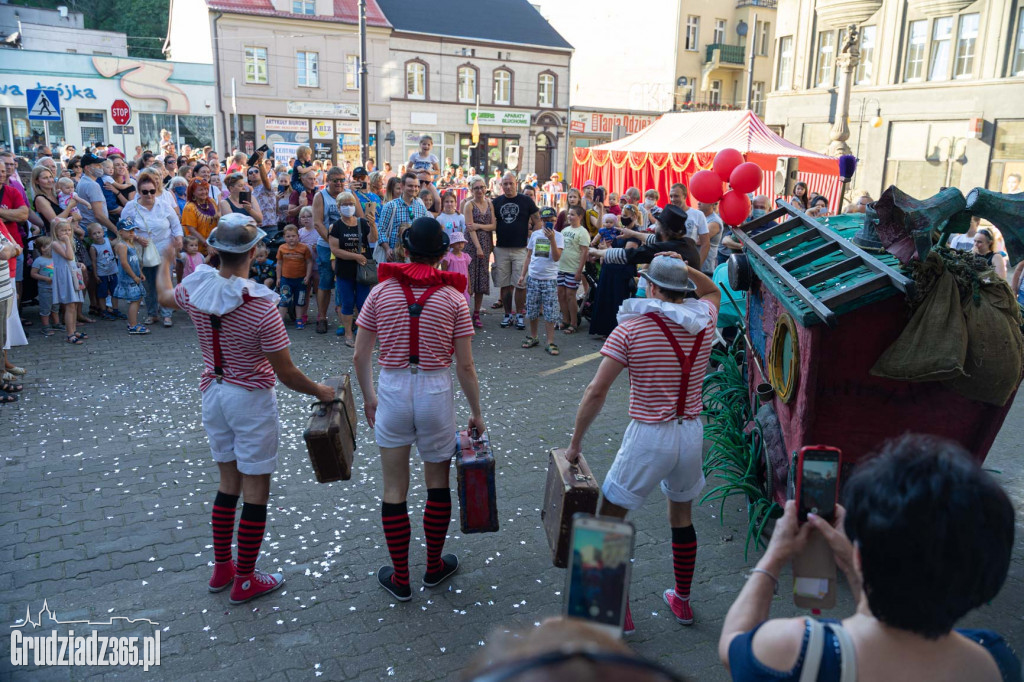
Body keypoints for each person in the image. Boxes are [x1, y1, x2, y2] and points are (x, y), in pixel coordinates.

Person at [719, 434, 1018, 681]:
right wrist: (857, 559)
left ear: (859, 555)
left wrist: (776, 554)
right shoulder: (997, 661)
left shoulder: (794, 652)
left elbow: (732, 644)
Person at [157, 213, 333, 604]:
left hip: (213, 393)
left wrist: (166, 261)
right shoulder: (260, 306)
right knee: (256, 488)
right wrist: (320, 391)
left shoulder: (197, 286)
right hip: (250, 399)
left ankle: (223, 567)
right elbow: (285, 372)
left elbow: (165, 297)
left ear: (216, 251)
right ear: (254, 251)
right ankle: (246, 578)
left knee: (227, 483)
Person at [567, 253, 720, 633]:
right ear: (682, 289)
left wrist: (575, 443)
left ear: (650, 287)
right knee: (681, 517)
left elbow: (596, 391)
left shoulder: (631, 330)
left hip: (649, 436)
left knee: (606, 520)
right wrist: (684, 268)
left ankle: (611, 610)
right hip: (691, 433)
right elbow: (712, 289)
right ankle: (682, 601)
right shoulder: (704, 320)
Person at [353, 217, 484, 602]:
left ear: (405, 250)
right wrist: (477, 412)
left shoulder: (381, 292)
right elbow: (465, 366)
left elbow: (361, 354)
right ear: (443, 254)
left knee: (394, 487)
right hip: (434, 390)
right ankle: (432, 567)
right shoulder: (453, 299)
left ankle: (399, 577)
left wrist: (369, 397)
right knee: (436, 484)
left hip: (392, 387)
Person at [120, 171, 184, 327]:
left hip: (164, 247)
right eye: (145, 192)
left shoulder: (164, 205)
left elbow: (176, 225)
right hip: (143, 249)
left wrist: (179, 240)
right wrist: (135, 238)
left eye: (152, 191)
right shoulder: (131, 207)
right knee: (147, 283)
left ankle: (167, 314)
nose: (149, 195)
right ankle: (152, 313)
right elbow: (122, 228)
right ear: (139, 192)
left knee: (165, 281)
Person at [492, 172, 541, 330]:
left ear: (516, 184)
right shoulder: (496, 202)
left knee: (520, 284)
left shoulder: (526, 200)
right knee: (505, 284)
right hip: (501, 249)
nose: (508, 186)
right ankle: (508, 315)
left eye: (510, 183)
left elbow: (538, 220)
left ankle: (519, 314)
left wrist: (533, 235)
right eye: (505, 184)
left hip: (521, 249)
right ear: (501, 186)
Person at [328, 191, 376, 348]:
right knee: (347, 302)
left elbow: (372, 240)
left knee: (363, 303)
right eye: (345, 204)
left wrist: (373, 224)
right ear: (339, 207)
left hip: (363, 270)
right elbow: (335, 250)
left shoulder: (362, 222)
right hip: (345, 270)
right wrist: (355, 256)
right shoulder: (335, 227)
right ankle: (348, 333)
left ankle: (362, 334)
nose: (348, 207)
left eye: (351, 204)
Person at [518, 207, 564, 356]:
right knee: (532, 309)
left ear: (556, 221)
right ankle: (533, 336)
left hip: (549, 279)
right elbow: (529, 255)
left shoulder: (558, 236)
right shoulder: (535, 235)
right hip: (533, 277)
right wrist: (522, 275)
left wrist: (551, 240)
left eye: (552, 221)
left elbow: (557, 257)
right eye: (546, 221)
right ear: (541, 221)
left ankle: (550, 341)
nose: (549, 223)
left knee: (550, 312)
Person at [311, 167, 345, 334]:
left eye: (341, 180)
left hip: (346, 248)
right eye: (335, 180)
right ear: (328, 181)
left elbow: (359, 217)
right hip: (326, 246)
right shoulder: (320, 196)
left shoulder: (348, 195)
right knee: (325, 283)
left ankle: (344, 320)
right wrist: (332, 243)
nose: (339, 183)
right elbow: (317, 223)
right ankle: (322, 317)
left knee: (343, 283)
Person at [376, 172, 430, 264]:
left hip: (415, 257)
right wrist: (387, 249)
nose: (414, 189)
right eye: (410, 186)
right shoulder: (390, 205)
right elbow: (381, 230)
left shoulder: (421, 207)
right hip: (395, 256)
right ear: (402, 186)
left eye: (416, 186)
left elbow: (425, 230)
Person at [463, 175, 495, 329]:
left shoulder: (489, 203)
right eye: (476, 188)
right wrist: (477, 247)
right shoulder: (469, 205)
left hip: (486, 241)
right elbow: (470, 228)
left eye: (482, 187)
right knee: (470, 278)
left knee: (482, 278)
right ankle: (465, 312)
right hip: (472, 243)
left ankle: (476, 313)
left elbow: (493, 225)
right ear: (471, 190)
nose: (480, 190)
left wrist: (479, 225)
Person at [50, 218, 87, 345]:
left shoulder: (69, 242)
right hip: (65, 276)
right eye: (63, 231)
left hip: (72, 273)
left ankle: (74, 330)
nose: (67, 233)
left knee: (75, 304)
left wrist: (79, 264)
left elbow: (71, 260)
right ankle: (69, 333)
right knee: (70, 305)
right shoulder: (55, 244)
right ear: (56, 232)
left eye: (69, 230)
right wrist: (67, 241)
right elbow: (69, 256)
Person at [557, 205, 591, 335]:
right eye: (569, 214)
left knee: (571, 295)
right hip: (561, 267)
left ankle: (573, 322)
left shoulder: (583, 232)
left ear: (580, 217)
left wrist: (579, 271)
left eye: (572, 214)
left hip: (573, 269)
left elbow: (584, 253)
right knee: (561, 294)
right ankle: (565, 319)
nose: (569, 217)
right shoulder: (565, 230)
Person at [112, 218, 148, 335]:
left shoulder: (130, 244)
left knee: (137, 299)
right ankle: (133, 325)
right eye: (128, 230)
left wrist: (140, 273)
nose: (131, 232)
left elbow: (135, 262)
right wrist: (134, 276)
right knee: (135, 300)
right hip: (129, 278)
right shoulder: (122, 245)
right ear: (120, 232)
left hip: (135, 276)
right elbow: (124, 263)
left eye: (133, 230)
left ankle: (133, 322)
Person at [275, 225, 313, 329]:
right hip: (286, 279)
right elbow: (279, 263)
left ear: (298, 236)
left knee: (300, 301)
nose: (291, 238)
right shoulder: (282, 248)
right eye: (288, 236)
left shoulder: (304, 248)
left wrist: (308, 276)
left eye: (293, 236)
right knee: (284, 300)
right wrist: (278, 278)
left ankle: (299, 319)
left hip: (300, 280)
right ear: (284, 237)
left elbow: (309, 262)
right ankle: (280, 321)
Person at [75, 153, 119, 236]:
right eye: (97, 165)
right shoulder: (92, 185)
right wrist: (115, 230)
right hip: (96, 231)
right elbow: (99, 215)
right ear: (87, 168)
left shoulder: (83, 181)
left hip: (89, 228)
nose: (101, 167)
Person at [668, 183, 710, 265]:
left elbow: (706, 244)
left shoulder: (698, 215)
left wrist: (698, 265)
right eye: (671, 196)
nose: (673, 199)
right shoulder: (667, 214)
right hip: (670, 262)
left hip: (689, 261)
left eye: (676, 196)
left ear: (684, 196)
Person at [87, 223, 119, 320]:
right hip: (102, 274)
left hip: (112, 272)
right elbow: (93, 262)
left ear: (103, 232)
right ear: (90, 236)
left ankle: (115, 309)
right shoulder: (93, 248)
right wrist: (96, 275)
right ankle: (104, 311)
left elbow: (118, 241)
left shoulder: (108, 241)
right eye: (94, 233)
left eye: (99, 232)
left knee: (115, 292)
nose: (97, 235)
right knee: (102, 294)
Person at [181, 178, 220, 254]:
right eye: (201, 190)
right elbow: (192, 230)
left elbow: (217, 219)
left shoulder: (211, 201)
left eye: (206, 189)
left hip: (215, 245)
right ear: (193, 192)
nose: (204, 192)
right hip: (197, 248)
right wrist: (207, 244)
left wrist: (218, 217)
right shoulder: (190, 207)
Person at [31, 236, 60, 336]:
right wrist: (45, 279)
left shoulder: (56, 258)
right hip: (45, 289)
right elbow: (33, 274)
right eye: (51, 247)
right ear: (42, 248)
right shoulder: (39, 260)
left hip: (56, 289)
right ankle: (45, 326)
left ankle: (56, 323)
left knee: (55, 307)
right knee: (45, 308)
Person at [441, 231, 472, 308]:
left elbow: (467, 271)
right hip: (452, 284)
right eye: (458, 243)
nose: (460, 245)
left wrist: (469, 286)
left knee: (464, 303)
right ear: (452, 244)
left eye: (462, 242)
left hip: (464, 283)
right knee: (452, 303)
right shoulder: (448, 257)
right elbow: (443, 272)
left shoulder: (465, 256)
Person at [698, 202, 723, 275]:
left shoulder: (714, 221)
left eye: (702, 200)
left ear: (711, 204)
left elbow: (699, 240)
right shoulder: (700, 217)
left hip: (706, 269)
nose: (699, 202)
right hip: (697, 265)